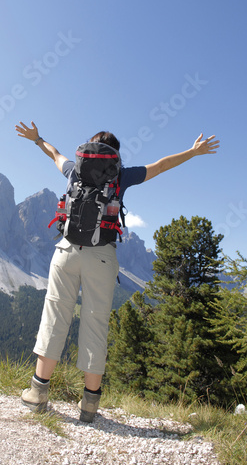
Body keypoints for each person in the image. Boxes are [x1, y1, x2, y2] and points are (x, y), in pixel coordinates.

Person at [15, 120, 220, 422]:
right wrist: (192, 151)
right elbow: (161, 166)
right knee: (95, 324)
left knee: (55, 316)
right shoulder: (121, 176)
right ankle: (89, 406)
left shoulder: (74, 170)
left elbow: (54, 153)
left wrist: (37, 138)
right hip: (101, 258)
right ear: (115, 154)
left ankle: (37, 393)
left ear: (90, 149)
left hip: (66, 252)